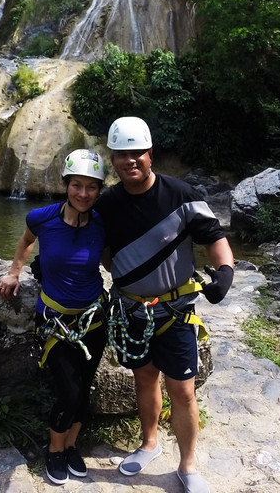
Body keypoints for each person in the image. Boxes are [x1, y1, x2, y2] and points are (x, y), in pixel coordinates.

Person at [95, 116, 234, 493]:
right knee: (144, 379)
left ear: (150, 153)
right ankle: (149, 443)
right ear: (113, 159)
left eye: (137, 153)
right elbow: (94, 244)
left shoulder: (181, 195)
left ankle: (187, 465)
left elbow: (214, 237)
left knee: (184, 390)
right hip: (133, 311)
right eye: (122, 155)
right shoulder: (107, 203)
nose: (131, 160)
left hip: (175, 313)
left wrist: (224, 272)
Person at [0, 148, 108, 486]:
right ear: (66, 185)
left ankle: (72, 446)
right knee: (68, 392)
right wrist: (14, 271)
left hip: (93, 321)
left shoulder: (102, 224)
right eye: (77, 185)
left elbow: (114, 259)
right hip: (55, 322)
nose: (83, 194)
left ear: (99, 190)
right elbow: (27, 241)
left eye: (91, 187)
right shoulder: (42, 218)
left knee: (84, 389)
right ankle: (54, 450)